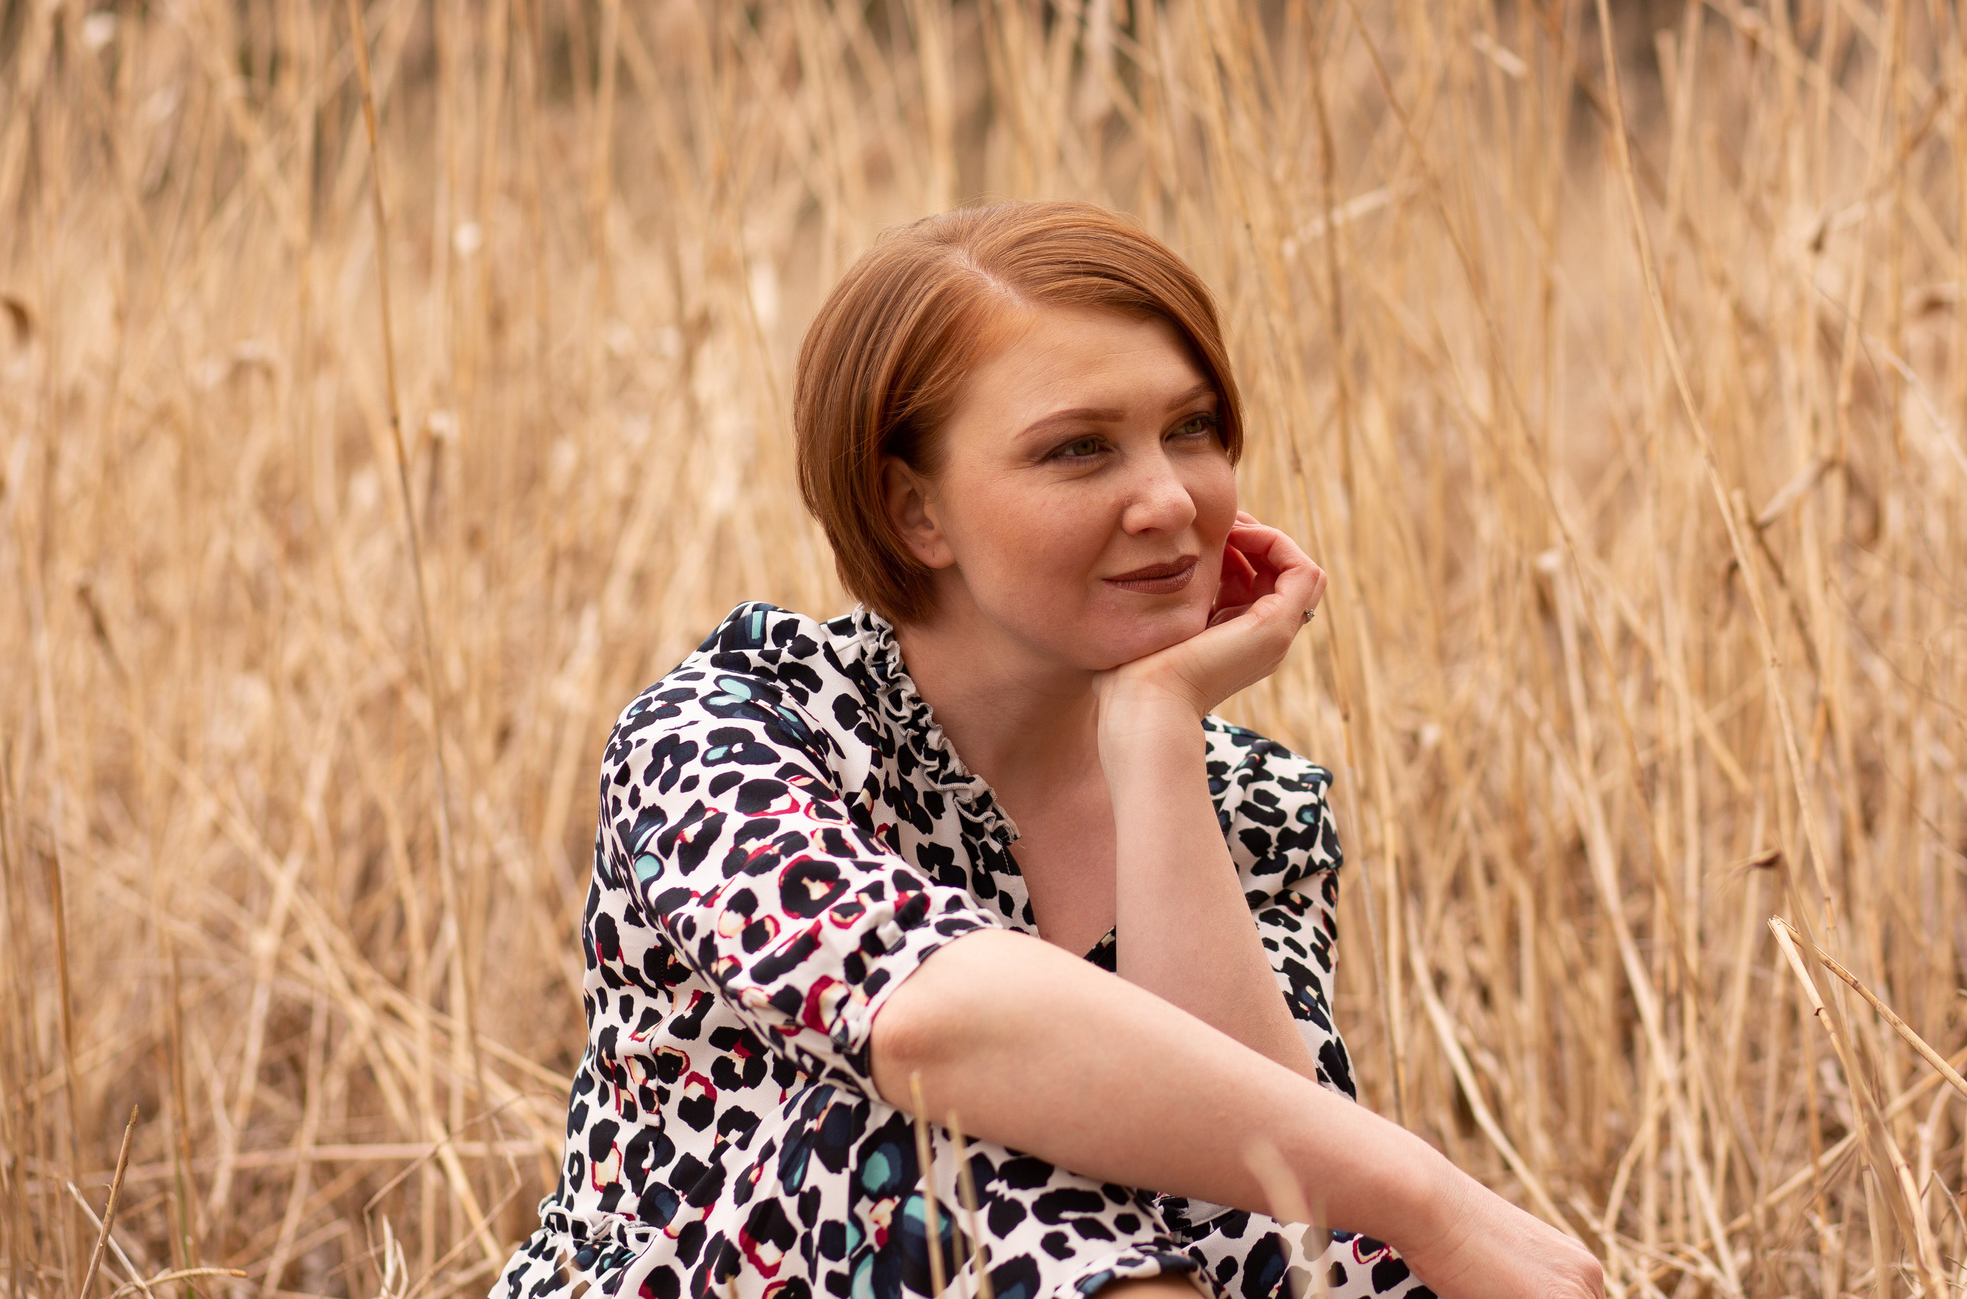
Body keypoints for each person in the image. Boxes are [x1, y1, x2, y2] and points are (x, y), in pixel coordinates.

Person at [494, 202, 1604, 1299]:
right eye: (1079, 449)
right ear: (915, 511)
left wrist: (1158, 731)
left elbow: (1271, 1198)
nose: (1169, 498)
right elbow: (932, 1024)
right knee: (932, 1162)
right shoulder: (727, 730)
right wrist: (1430, 1195)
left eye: (1193, 428)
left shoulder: (1253, 799)